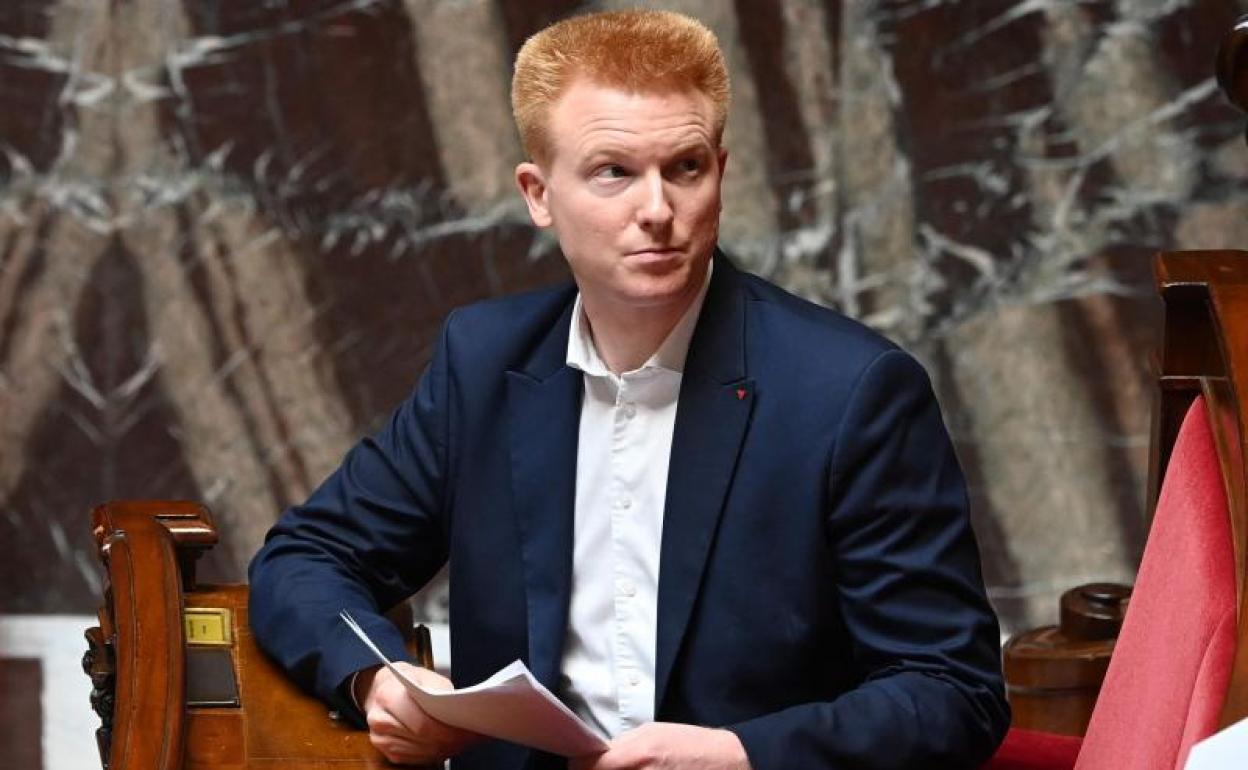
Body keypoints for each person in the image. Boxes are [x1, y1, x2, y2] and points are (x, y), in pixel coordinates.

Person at [248, 9, 1010, 770]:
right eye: (614, 171)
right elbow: (307, 557)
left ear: (722, 171)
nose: (656, 210)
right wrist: (377, 679)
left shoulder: (852, 393)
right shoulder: (481, 363)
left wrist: (742, 756)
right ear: (538, 194)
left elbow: (952, 690)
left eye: (685, 167)